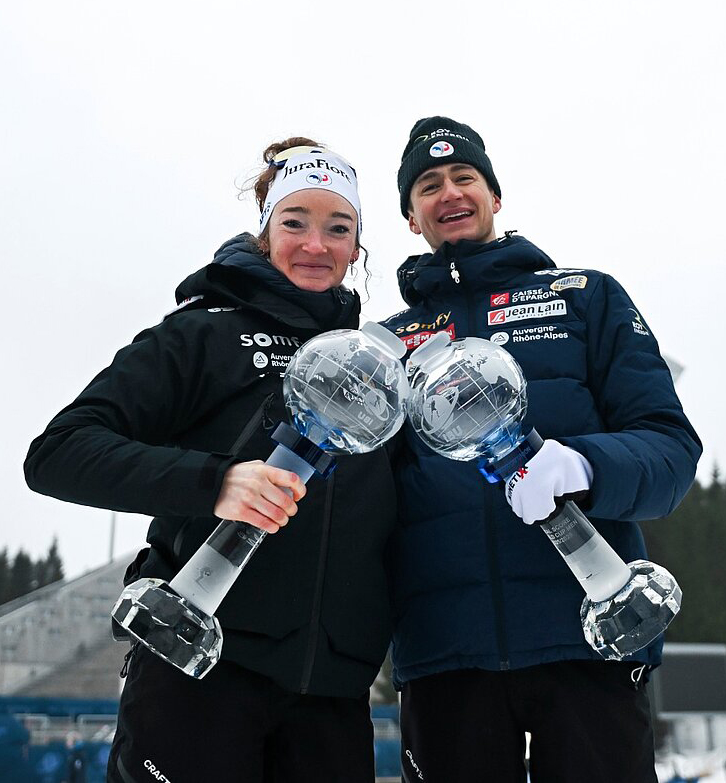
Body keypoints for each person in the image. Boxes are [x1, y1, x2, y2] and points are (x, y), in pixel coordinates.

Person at [25, 138, 397, 783]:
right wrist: (215, 481)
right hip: (196, 676)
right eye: (295, 222)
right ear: (264, 229)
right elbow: (59, 452)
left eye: (339, 228)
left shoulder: (370, 367)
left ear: (357, 246)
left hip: (331, 699)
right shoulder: (203, 332)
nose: (316, 244)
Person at [381, 116, 702, 783]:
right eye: (428, 185)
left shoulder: (584, 300)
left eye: (465, 177)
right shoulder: (386, 345)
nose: (450, 193)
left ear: (495, 196)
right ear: (411, 217)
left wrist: (584, 464)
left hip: (589, 643)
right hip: (447, 659)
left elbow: (671, 449)